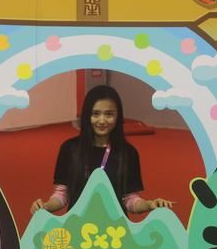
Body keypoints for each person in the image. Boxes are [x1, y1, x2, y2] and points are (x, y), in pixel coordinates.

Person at [30, 85, 173, 215]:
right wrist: (46, 206)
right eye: (95, 114)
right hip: (76, 225)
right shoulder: (70, 149)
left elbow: (129, 199)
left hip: (116, 229)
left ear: (118, 116)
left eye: (109, 114)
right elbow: (62, 194)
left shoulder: (128, 153)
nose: (102, 121)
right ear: (87, 116)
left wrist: (149, 204)